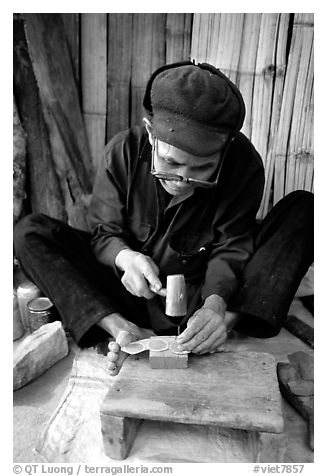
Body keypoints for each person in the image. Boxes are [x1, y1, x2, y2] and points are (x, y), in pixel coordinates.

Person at [13, 61, 313, 375]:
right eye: (170, 162)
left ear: (224, 151)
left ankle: (214, 327)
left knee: (304, 209)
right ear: (150, 132)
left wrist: (216, 305)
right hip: (128, 292)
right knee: (30, 232)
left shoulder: (243, 164)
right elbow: (104, 233)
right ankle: (124, 331)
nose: (182, 179)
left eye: (200, 170)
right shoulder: (123, 152)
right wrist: (126, 257)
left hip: (201, 292)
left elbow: (232, 247)